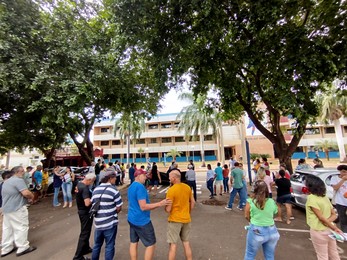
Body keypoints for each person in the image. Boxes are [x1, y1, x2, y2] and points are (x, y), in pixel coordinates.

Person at [127, 170, 172, 260]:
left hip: (132, 218)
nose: (145, 177)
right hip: (141, 220)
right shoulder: (140, 187)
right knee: (151, 244)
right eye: (144, 175)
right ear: (138, 176)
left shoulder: (131, 186)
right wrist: (160, 203)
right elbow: (143, 207)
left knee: (133, 242)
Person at [1, 166, 37, 257]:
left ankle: (6, 248)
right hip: (17, 208)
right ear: (19, 172)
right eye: (23, 171)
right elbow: (26, 193)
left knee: (7, 229)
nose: (24, 173)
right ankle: (23, 247)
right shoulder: (18, 180)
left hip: (6, 208)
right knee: (21, 226)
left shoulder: (6, 182)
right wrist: (32, 197)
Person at [305, 175, 342, 260]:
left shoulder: (311, 198)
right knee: (334, 253)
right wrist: (330, 225)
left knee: (322, 256)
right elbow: (334, 215)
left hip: (318, 231)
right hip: (330, 230)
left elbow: (321, 218)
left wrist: (326, 223)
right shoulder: (324, 196)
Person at [244, 180, 280, 260]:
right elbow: (275, 212)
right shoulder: (271, 201)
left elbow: (246, 216)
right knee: (270, 256)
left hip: (256, 230)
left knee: (250, 255)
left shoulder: (250, 202)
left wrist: (252, 221)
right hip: (272, 231)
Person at [91, 172, 123, 260]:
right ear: (110, 178)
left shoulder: (96, 189)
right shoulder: (114, 190)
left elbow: (92, 203)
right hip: (110, 223)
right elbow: (119, 207)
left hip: (98, 223)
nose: (116, 179)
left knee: (97, 245)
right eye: (114, 178)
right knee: (109, 245)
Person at [165, 170, 195, 260]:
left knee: (173, 245)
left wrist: (165, 208)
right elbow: (193, 202)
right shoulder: (187, 187)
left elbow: (168, 209)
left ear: (174, 178)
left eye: (170, 177)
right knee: (186, 243)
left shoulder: (171, 190)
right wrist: (188, 212)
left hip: (175, 220)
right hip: (186, 218)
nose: (169, 178)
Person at [73, 173, 96, 260]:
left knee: (86, 230)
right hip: (85, 212)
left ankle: (86, 248)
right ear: (89, 180)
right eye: (92, 181)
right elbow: (87, 203)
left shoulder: (79, 185)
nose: (92, 183)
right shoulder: (85, 188)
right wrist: (93, 200)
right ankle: (78, 256)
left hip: (81, 211)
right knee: (85, 233)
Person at [330, 164, 347, 232]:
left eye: (346, 172)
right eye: (343, 171)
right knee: (343, 220)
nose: (345, 173)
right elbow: (335, 188)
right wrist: (342, 180)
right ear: (339, 171)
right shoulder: (334, 178)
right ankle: (345, 234)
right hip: (340, 202)